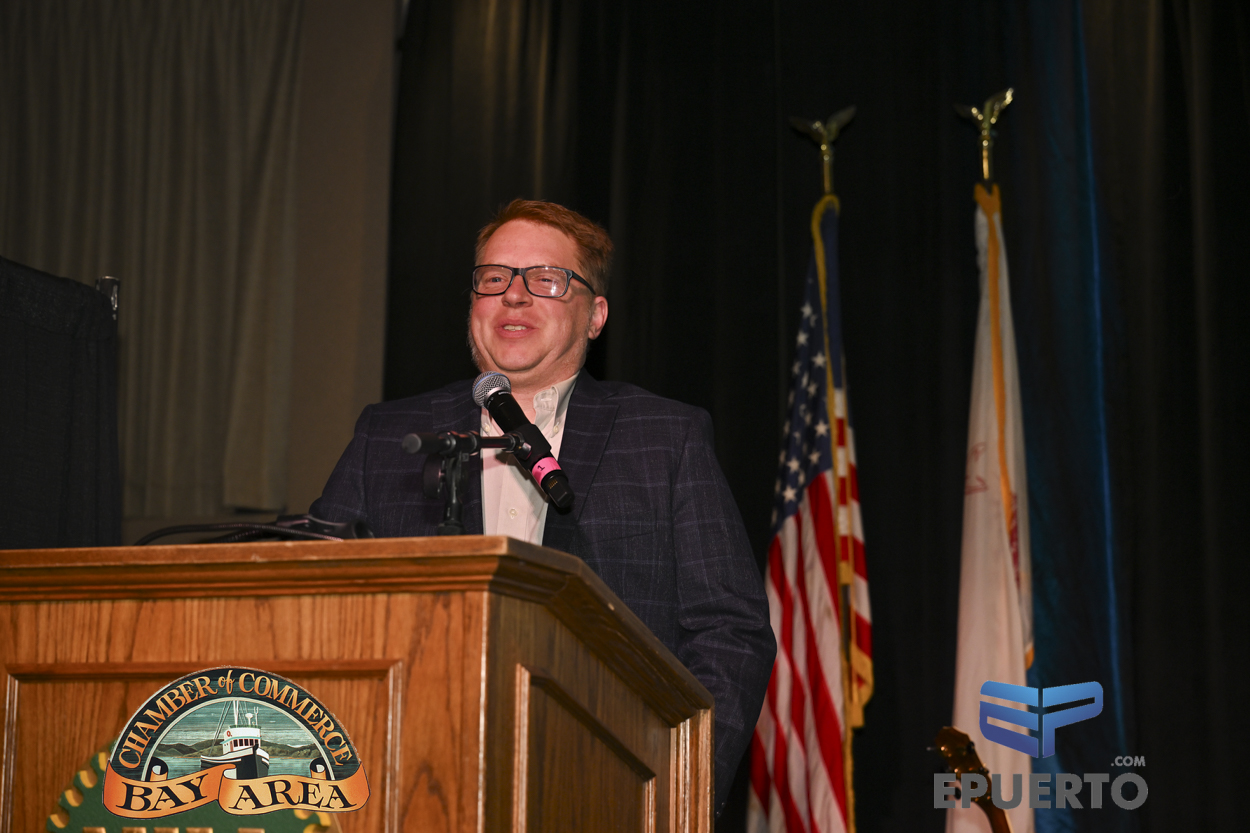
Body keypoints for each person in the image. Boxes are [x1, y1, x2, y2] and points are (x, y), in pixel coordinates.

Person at [311, 199, 775, 813]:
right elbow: (314, 605)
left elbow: (730, 633)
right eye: (494, 278)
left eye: (546, 280)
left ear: (595, 315)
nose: (514, 295)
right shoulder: (388, 435)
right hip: (410, 790)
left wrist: (677, 792)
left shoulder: (665, 436)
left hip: (603, 793)